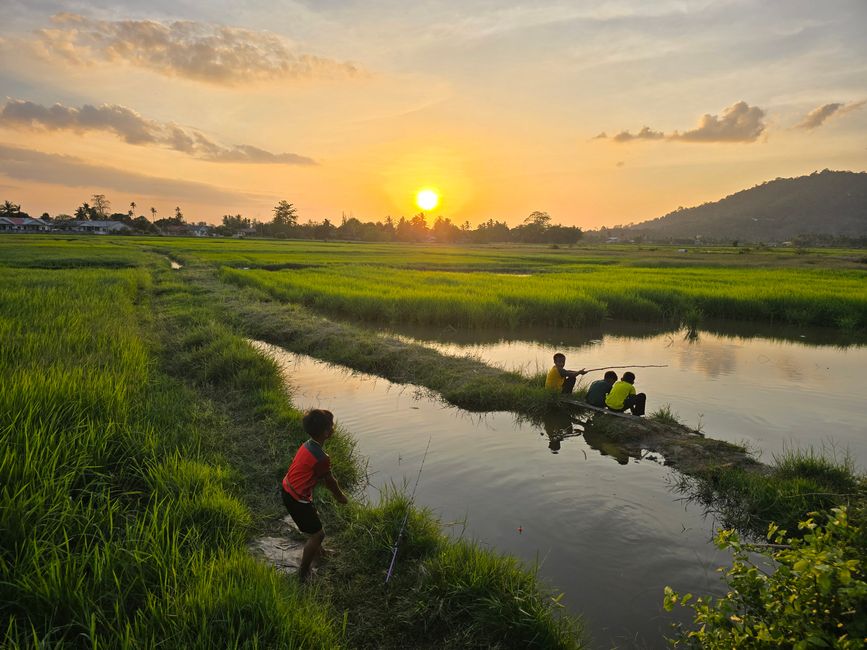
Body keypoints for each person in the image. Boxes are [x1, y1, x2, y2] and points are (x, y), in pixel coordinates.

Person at [281, 409, 348, 582]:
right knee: (318, 534)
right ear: (326, 432)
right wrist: (340, 497)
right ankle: (303, 572)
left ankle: (321, 552)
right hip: (296, 498)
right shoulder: (322, 457)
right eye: (331, 426)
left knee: (314, 519)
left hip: (288, 488)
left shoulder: (307, 445)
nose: (333, 428)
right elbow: (330, 481)